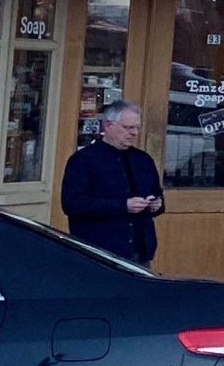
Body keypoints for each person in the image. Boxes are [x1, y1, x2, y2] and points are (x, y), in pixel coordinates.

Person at [60, 100, 164, 264]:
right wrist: (123, 206)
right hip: (99, 250)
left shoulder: (143, 160)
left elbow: (157, 195)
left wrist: (156, 204)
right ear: (108, 126)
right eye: (128, 128)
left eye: (137, 128)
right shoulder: (83, 160)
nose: (134, 133)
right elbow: (72, 203)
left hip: (139, 251)